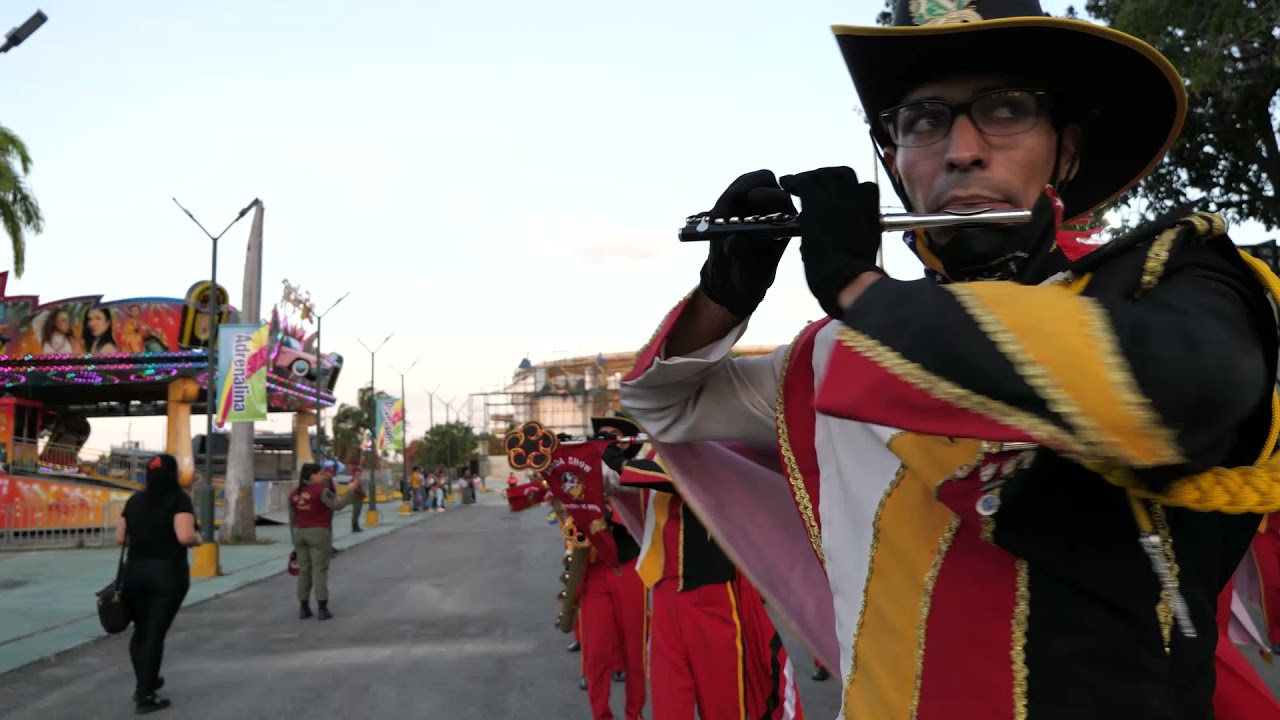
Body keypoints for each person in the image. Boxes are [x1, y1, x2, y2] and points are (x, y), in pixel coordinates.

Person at [620, 1, 1280, 716]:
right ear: (896, 160)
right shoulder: (834, 350)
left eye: (1005, 111)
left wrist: (860, 289)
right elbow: (664, 406)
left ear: (1066, 150)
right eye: (924, 120)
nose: (962, 149)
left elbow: (1190, 390)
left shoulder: (1174, 283)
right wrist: (726, 289)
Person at [609, 446, 805, 719]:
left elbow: (680, 477)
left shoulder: (719, 446)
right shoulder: (655, 449)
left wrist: (621, 463)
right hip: (665, 596)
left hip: (711, 599)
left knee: (723, 706)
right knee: (669, 707)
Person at [115, 454, 202, 714]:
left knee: (141, 631)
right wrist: (199, 538)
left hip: (135, 571)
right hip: (167, 573)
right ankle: (146, 695)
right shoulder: (178, 500)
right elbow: (184, 536)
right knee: (155, 632)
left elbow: (121, 538)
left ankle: (145, 681)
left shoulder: (134, 501)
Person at [289, 462, 365, 620]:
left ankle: (303, 607)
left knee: (304, 570)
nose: (322, 477)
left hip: (299, 533)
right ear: (312, 475)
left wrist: (294, 540)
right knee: (319, 570)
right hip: (318, 533)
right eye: (320, 474)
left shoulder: (294, 493)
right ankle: (322, 608)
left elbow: (292, 517)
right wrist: (350, 491)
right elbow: (337, 505)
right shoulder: (320, 491)